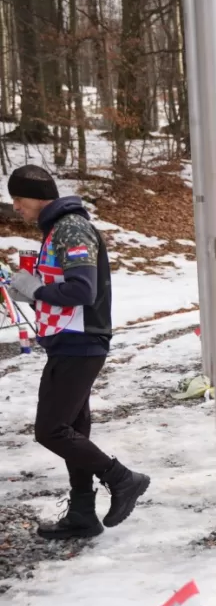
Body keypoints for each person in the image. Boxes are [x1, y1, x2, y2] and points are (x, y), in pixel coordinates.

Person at [7, 165, 149, 539]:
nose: (16, 207)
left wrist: (35, 290)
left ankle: (122, 479)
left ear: (37, 196)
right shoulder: (57, 229)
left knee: (51, 430)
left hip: (79, 343)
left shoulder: (71, 227)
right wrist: (31, 289)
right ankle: (83, 513)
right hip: (70, 341)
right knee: (72, 430)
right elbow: (63, 287)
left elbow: (82, 291)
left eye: (18, 199)